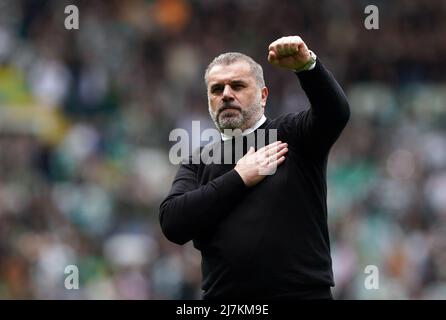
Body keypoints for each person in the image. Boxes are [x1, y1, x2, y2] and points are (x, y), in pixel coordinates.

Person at [159, 36, 350, 300]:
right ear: (208, 101)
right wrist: (239, 177)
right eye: (216, 89)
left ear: (262, 96)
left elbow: (335, 114)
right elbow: (173, 223)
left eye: (237, 85)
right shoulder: (198, 160)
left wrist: (308, 67)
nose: (226, 94)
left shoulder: (291, 135)